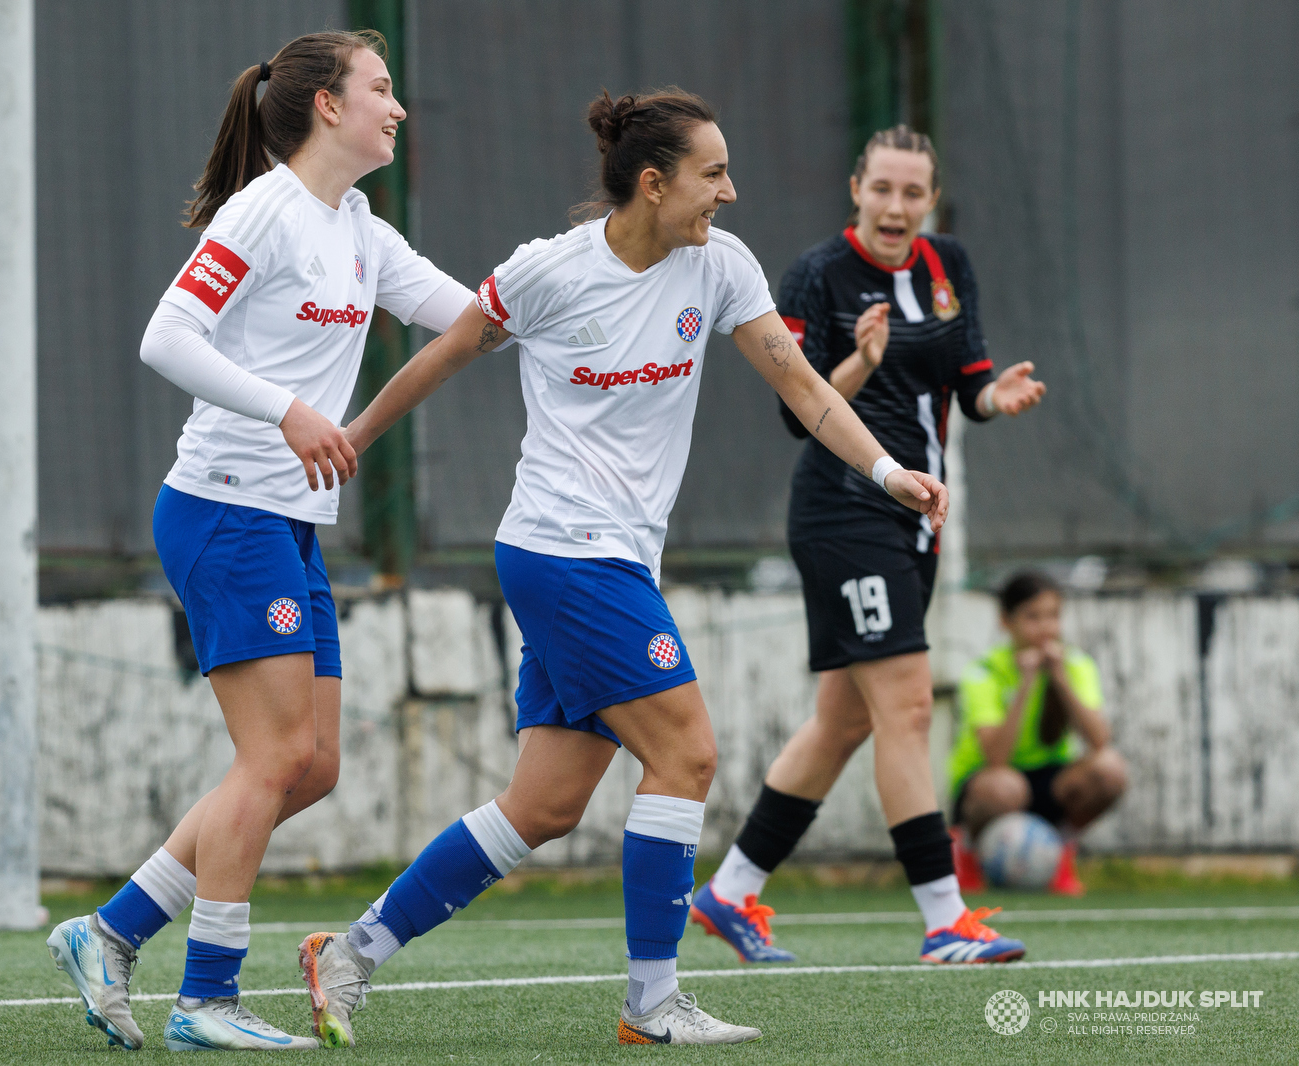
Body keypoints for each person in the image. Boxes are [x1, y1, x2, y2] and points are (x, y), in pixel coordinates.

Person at [294, 90, 948, 1048]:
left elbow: (805, 388)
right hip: (563, 552)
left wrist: (890, 472)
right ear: (654, 183)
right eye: (712, 174)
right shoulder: (548, 274)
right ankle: (652, 1001)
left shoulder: (720, 266)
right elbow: (442, 358)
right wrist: (349, 435)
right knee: (686, 754)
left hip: (612, 562)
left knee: (545, 805)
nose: (731, 191)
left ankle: (348, 954)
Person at [44, 31, 485, 1051]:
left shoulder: (362, 226)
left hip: (287, 520)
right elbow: (167, 337)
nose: (399, 108)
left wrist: (592, 282)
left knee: (313, 763)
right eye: (381, 89)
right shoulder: (264, 209)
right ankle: (206, 995)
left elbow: (464, 318)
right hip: (223, 505)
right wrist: (288, 409)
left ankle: (112, 932)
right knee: (272, 754)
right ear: (327, 107)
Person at [693, 125, 1047, 967]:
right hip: (844, 510)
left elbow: (968, 387)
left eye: (912, 193)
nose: (896, 207)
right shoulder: (817, 274)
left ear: (931, 200)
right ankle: (943, 919)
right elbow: (796, 410)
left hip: (915, 515)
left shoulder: (946, 265)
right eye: (882, 189)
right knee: (909, 705)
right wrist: (857, 361)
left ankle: (730, 893)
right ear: (857, 188)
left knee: (844, 721)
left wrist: (995, 397)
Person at [948, 570, 1128, 896]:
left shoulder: (1075, 665)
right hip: (990, 787)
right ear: (1006, 621)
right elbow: (997, 758)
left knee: (1110, 769)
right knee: (1004, 785)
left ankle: (1059, 853)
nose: (1046, 628)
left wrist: (1059, 679)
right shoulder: (983, 672)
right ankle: (967, 856)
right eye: (1033, 617)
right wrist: (1027, 683)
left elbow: (1100, 741)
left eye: (1053, 616)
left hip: (1047, 781)